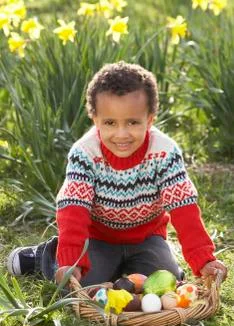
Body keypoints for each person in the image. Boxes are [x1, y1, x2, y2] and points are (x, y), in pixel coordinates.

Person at [7, 61, 227, 287]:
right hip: (97, 239)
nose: (121, 134)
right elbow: (73, 209)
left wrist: (203, 259)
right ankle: (47, 257)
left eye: (132, 122)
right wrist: (72, 262)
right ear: (95, 120)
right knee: (82, 285)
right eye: (110, 123)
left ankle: (149, 261)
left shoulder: (165, 153)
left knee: (162, 284)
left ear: (149, 120)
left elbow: (184, 209)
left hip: (146, 238)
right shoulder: (85, 153)